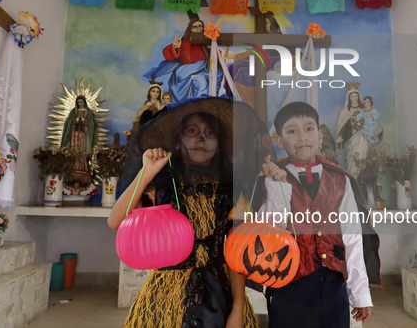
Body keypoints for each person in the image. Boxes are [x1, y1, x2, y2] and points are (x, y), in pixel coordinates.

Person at [109, 98, 271, 328]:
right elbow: (115, 220)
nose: (201, 139)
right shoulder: (161, 185)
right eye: (192, 131)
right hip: (164, 295)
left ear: (219, 143)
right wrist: (147, 172)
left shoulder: (233, 191)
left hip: (219, 293)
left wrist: (237, 308)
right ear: (178, 140)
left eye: (210, 133)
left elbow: (237, 254)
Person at [257, 102, 381, 328]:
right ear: (279, 141)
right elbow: (270, 230)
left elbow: (352, 238)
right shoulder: (271, 178)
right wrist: (277, 184)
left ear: (320, 135)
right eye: (292, 131)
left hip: (334, 284)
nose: (302, 136)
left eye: (309, 129)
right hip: (288, 284)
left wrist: (360, 294)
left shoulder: (340, 179)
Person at [144, 19, 223, 102]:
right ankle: (198, 104)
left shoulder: (206, 42)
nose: (198, 29)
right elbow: (166, 53)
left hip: (204, 72)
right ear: (190, 29)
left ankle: (201, 104)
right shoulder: (183, 42)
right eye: (195, 27)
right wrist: (175, 47)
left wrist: (211, 49)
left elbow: (217, 57)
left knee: (200, 80)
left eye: (200, 26)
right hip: (184, 74)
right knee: (198, 80)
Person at [336, 85, 374, 177]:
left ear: (359, 96)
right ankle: (353, 181)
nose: (354, 98)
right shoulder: (345, 112)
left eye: (356, 96)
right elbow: (342, 127)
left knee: (363, 159)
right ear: (349, 98)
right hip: (351, 141)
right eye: (352, 96)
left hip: (363, 139)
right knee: (353, 161)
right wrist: (340, 136)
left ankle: (362, 183)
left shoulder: (364, 110)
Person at [61, 95, 95, 184]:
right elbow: (68, 124)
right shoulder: (73, 112)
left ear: (84, 102)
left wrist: (84, 120)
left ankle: (83, 169)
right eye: (78, 102)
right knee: (73, 151)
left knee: (82, 152)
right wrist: (75, 120)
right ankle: (71, 171)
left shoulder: (89, 112)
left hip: (84, 135)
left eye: (81, 102)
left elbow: (91, 125)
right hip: (74, 135)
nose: (80, 104)